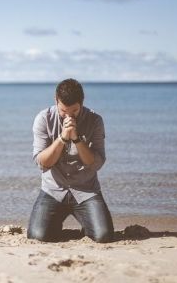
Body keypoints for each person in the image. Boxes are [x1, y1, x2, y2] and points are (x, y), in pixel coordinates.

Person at [27, 78, 114, 243]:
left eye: (74, 111)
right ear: (56, 101)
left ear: (82, 103)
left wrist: (76, 139)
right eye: (63, 111)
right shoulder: (44, 118)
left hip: (86, 190)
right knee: (37, 236)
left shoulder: (95, 120)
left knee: (103, 236)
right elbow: (42, 162)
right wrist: (62, 138)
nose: (68, 116)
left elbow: (96, 164)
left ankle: (87, 225)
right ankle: (54, 225)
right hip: (53, 190)